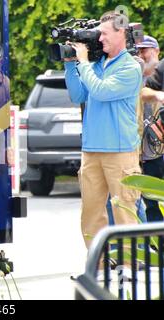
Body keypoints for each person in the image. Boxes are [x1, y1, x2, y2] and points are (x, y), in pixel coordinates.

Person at [64, 11, 142, 249]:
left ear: (121, 33)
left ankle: (128, 267)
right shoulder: (97, 64)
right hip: (91, 150)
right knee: (91, 215)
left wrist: (84, 63)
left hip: (120, 152)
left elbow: (101, 91)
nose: (99, 39)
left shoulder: (130, 67)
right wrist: (70, 66)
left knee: (124, 212)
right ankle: (97, 267)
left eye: (104, 34)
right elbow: (78, 95)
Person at [141, 38, 164, 223]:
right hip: (151, 153)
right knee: (152, 202)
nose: (141, 54)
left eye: (145, 50)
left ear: (156, 50)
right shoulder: (137, 79)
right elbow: (144, 93)